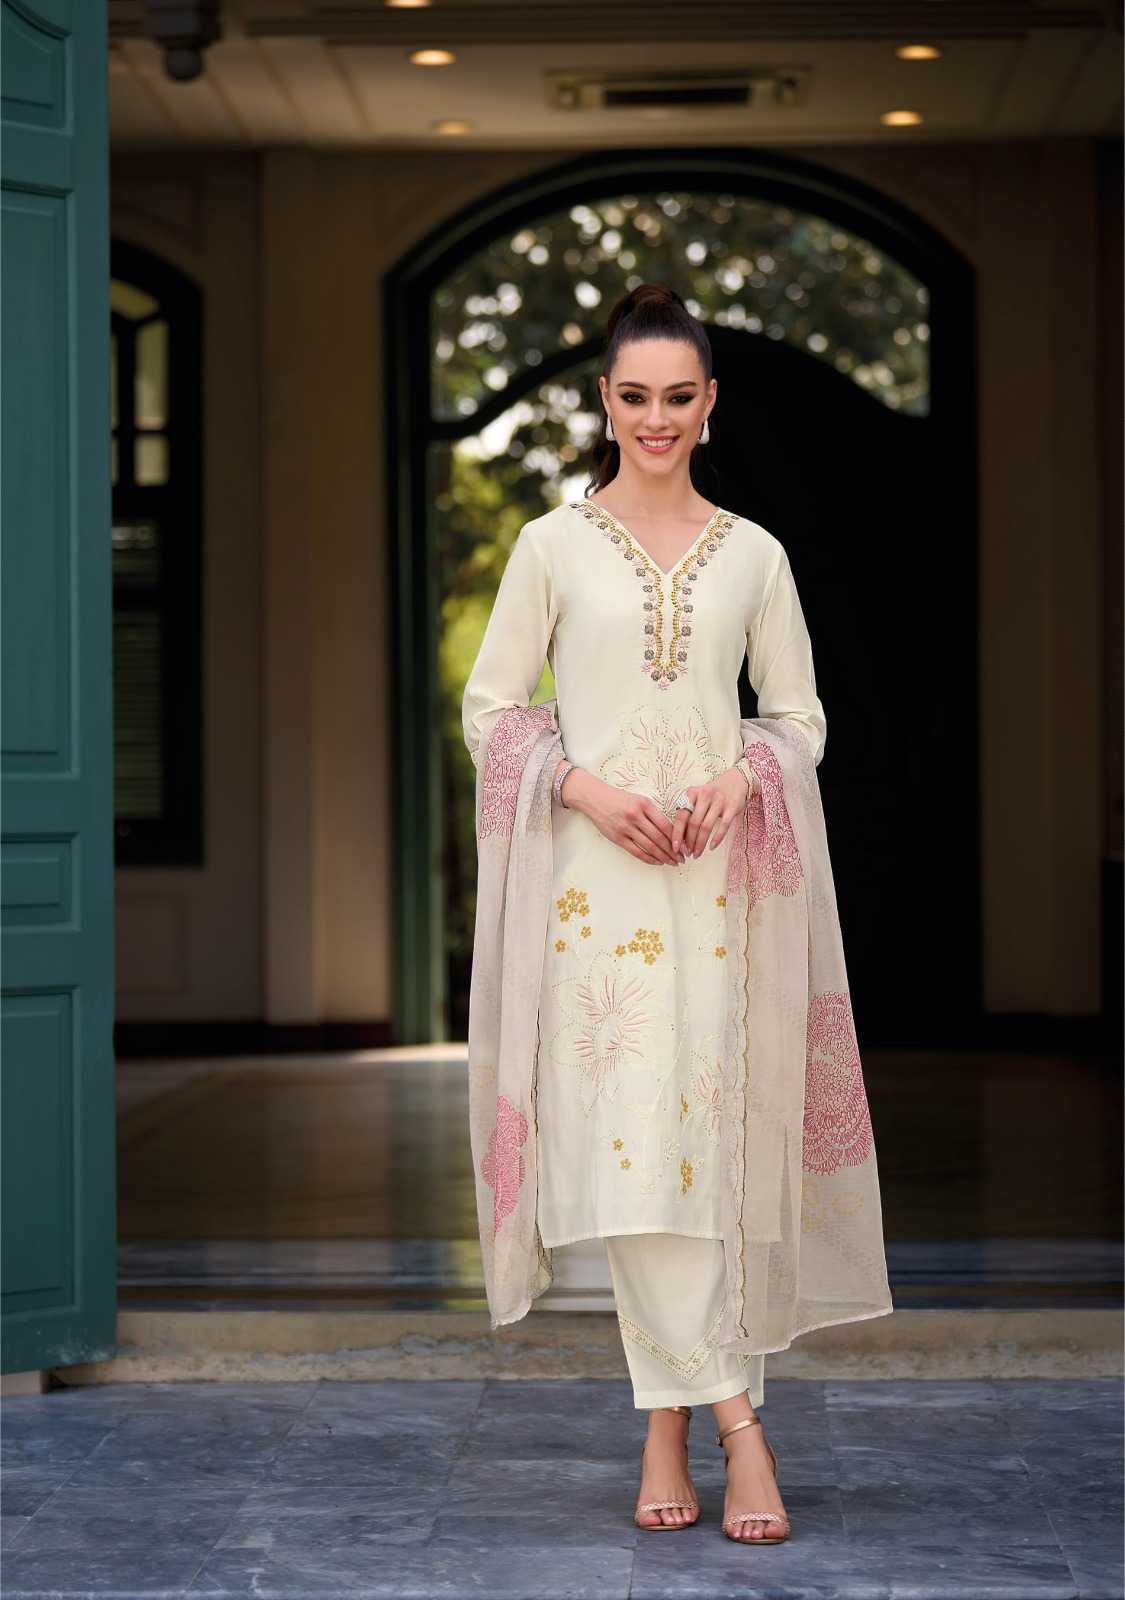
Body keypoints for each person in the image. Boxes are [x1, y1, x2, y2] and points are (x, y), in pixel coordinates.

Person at [461, 282, 892, 1544]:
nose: (657, 418)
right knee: (633, 1166)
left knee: (712, 1168)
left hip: (720, 896)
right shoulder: (551, 547)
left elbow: (801, 719)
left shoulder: (755, 555)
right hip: (593, 905)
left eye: (679, 397)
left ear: (711, 405)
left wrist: (739, 776)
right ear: (605, 403)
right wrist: (585, 789)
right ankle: (741, 1431)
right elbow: (492, 712)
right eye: (635, 396)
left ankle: (663, 1428)